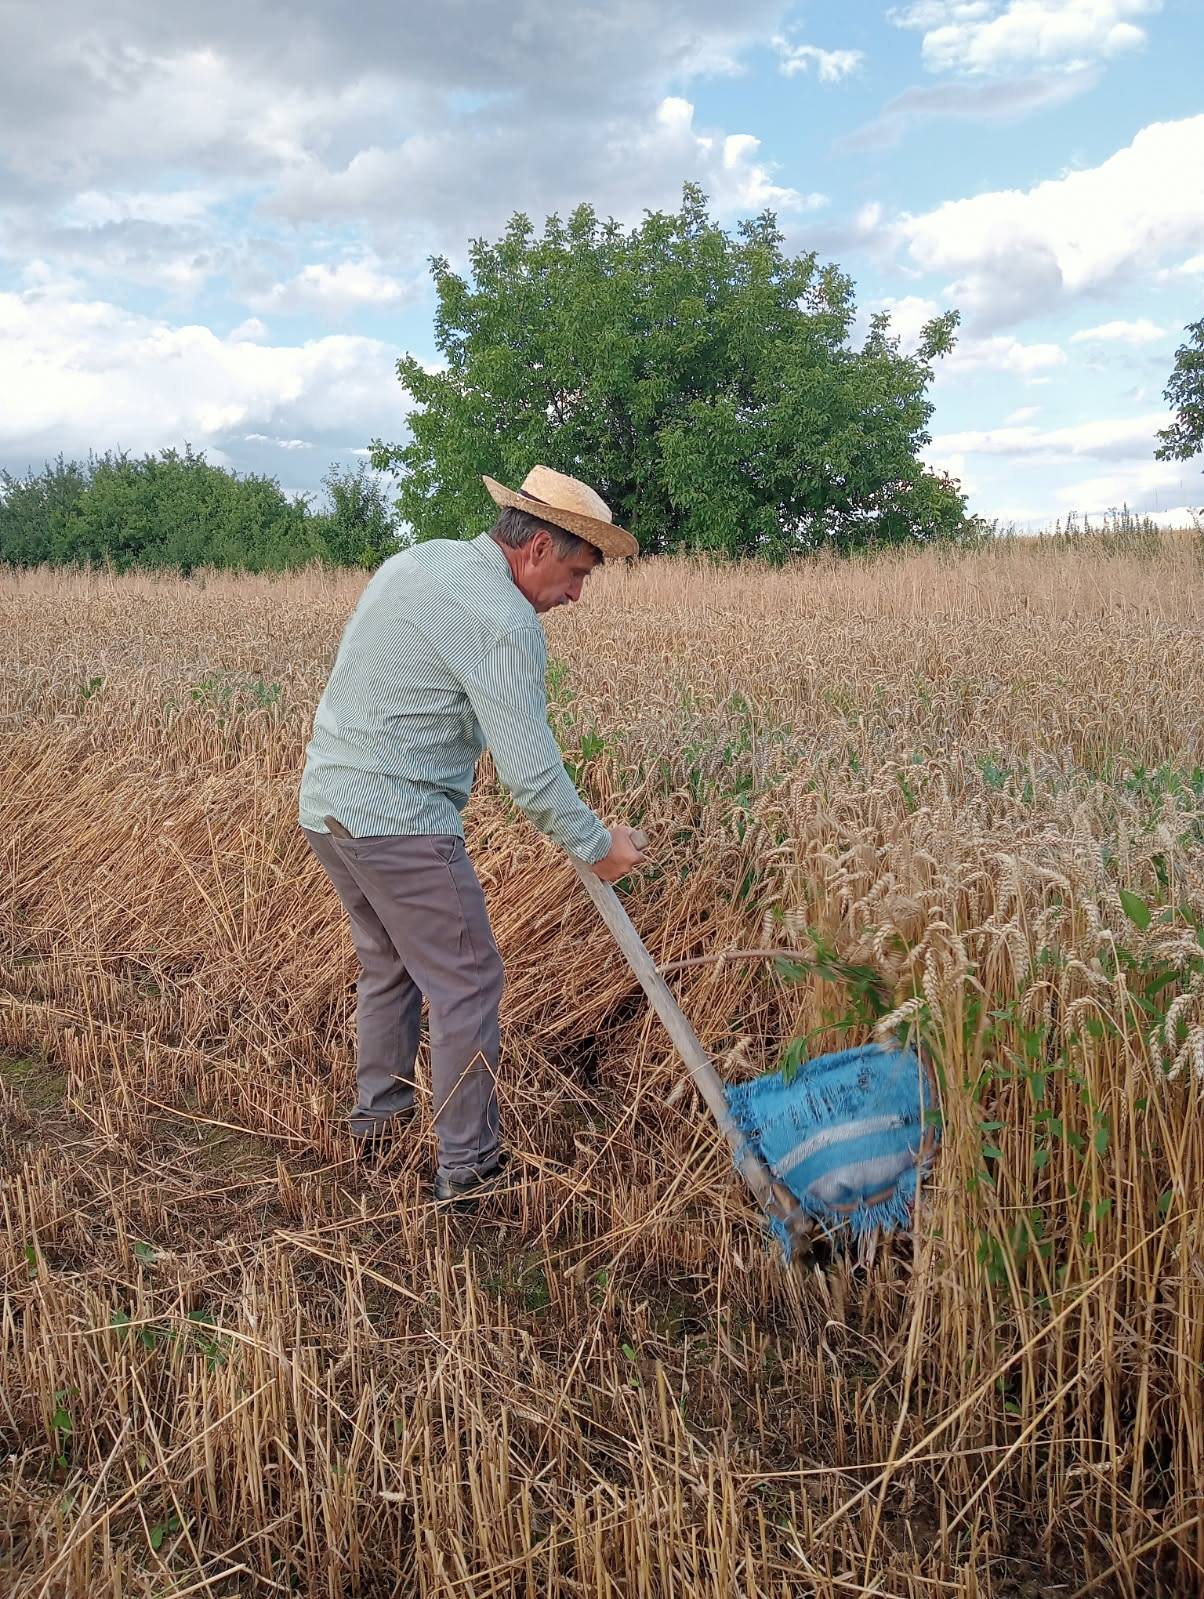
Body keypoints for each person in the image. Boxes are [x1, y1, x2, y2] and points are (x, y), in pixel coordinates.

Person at [298, 465, 646, 1201]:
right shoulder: (504, 620)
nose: (577, 596)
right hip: (398, 821)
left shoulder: (421, 560)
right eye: (577, 574)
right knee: (469, 979)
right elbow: (531, 771)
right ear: (538, 547)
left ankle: (378, 1123)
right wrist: (596, 843)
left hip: (328, 805)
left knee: (390, 965)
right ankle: (470, 1166)